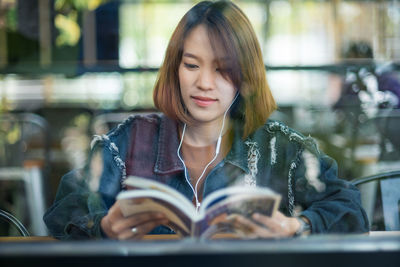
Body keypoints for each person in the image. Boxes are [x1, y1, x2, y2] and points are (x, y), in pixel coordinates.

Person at [44, 0, 369, 240]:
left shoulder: (278, 147)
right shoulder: (132, 140)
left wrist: (296, 225)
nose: (205, 83)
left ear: (245, 76)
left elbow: (350, 210)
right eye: (191, 65)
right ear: (175, 68)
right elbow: (66, 206)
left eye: (222, 68)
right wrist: (103, 225)